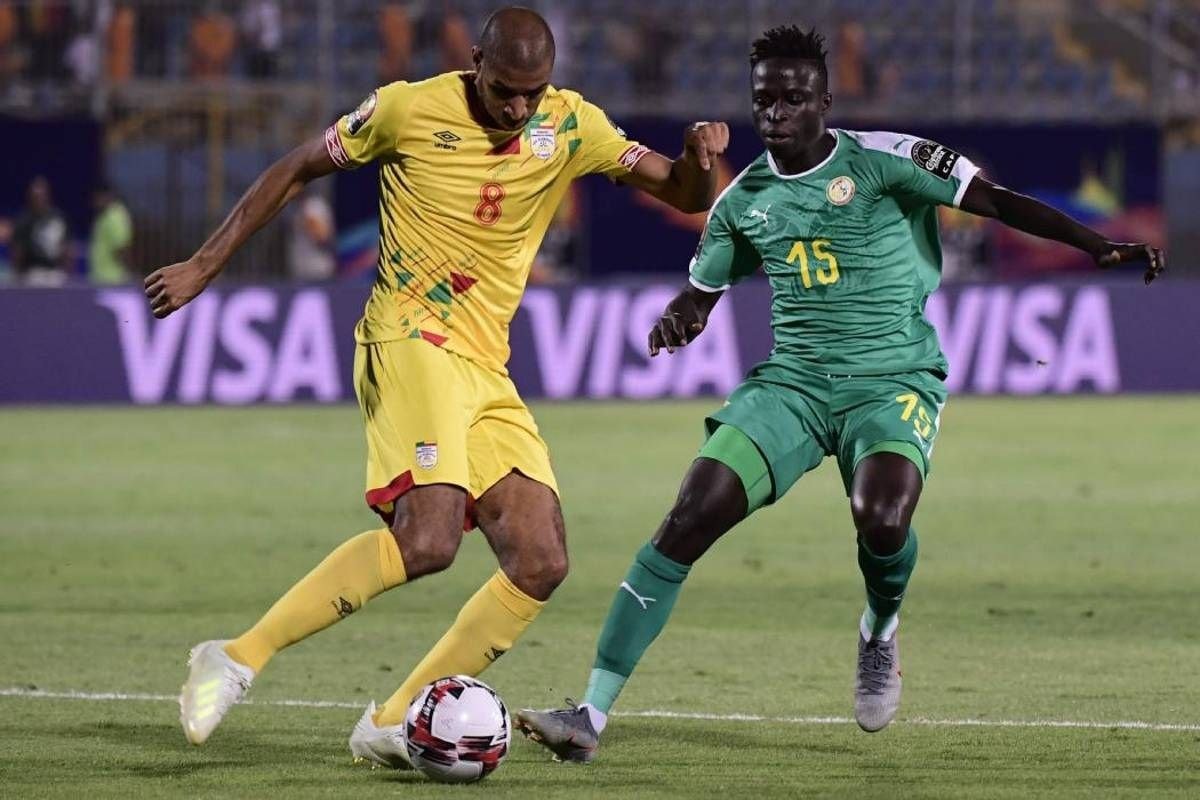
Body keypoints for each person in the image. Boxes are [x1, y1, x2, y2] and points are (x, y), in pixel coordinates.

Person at [515, 24, 1165, 763]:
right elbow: (700, 296)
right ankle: (589, 714)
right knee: (689, 517)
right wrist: (679, 319)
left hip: (892, 378)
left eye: (793, 99)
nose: (776, 113)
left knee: (881, 519)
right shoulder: (743, 201)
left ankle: (879, 632)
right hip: (792, 386)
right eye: (764, 100)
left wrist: (1096, 245)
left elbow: (997, 201)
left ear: (824, 102)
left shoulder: (888, 159)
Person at [146, 6, 729, 765]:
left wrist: (698, 159)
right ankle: (234, 656)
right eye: (504, 90)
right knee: (427, 540)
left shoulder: (570, 123)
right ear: (475, 62)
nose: (517, 109)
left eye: (532, 93)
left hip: (485, 365)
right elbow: (296, 166)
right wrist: (204, 264)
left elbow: (684, 193)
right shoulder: (406, 109)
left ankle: (390, 720)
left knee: (541, 561)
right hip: (409, 333)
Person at [12, 176, 71, 286]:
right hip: (32, 273)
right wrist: (17, 274)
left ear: (48, 196)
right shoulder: (24, 221)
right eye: (36, 196)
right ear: (30, 197)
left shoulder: (58, 218)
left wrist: (66, 272)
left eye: (42, 195)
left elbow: (67, 247)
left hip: (55, 273)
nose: (39, 199)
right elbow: (18, 251)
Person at [88, 183, 133, 285]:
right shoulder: (104, 215)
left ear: (107, 196)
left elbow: (122, 248)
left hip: (113, 280)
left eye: (97, 197)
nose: (94, 202)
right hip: (101, 278)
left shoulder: (115, 217)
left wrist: (129, 273)